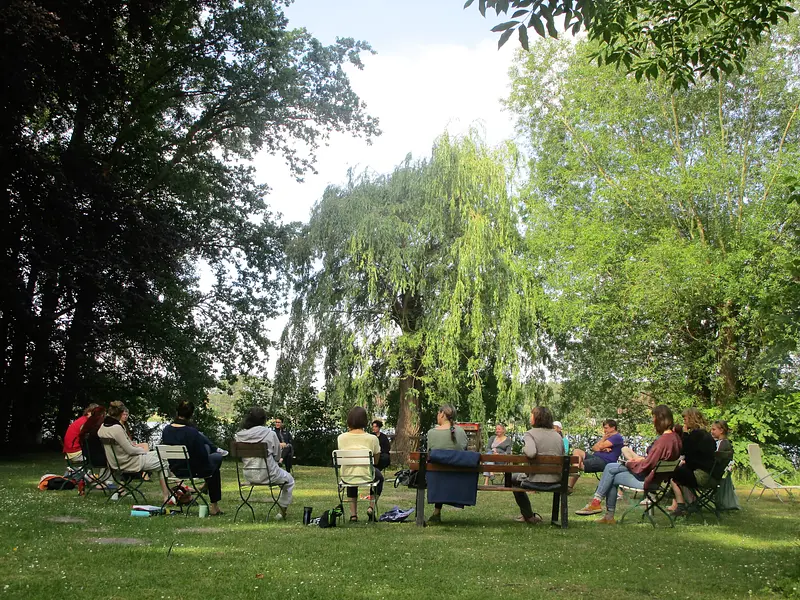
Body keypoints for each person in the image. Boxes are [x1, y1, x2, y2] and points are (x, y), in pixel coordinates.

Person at [575, 405, 682, 524]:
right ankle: (600, 507)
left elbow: (647, 466)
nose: (652, 421)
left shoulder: (663, 441)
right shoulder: (675, 438)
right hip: (657, 478)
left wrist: (630, 464)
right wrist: (639, 461)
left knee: (611, 474)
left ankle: (601, 508)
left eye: (654, 417)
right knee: (610, 468)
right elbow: (654, 461)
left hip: (647, 480)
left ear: (660, 419)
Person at [97, 401, 171, 502]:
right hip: (129, 462)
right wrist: (143, 450)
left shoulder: (102, 427)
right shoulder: (117, 428)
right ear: (120, 413)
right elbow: (130, 450)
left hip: (115, 462)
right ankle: (167, 496)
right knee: (163, 462)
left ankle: (169, 495)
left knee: (161, 455)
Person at [161, 401, 225, 516]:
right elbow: (202, 457)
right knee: (217, 459)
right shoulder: (192, 432)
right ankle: (214, 506)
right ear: (191, 415)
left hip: (176, 468)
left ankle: (206, 486)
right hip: (192, 469)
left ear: (177, 412)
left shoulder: (166, 430)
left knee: (208, 450)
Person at [234, 407, 295, 519]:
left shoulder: (239, 435)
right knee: (289, 480)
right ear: (263, 419)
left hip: (248, 474)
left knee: (285, 478)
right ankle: (282, 513)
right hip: (269, 474)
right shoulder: (269, 434)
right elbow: (277, 457)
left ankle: (281, 513)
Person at [512, 406, 564, 524]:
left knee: (513, 479)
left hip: (535, 479)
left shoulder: (530, 434)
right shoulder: (557, 436)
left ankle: (528, 515)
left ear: (536, 418)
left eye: (531, 415)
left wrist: (524, 447)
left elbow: (531, 453)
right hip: (556, 480)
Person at [336, 406, 383, 522]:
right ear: (365, 421)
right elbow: (376, 461)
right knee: (380, 478)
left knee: (351, 474)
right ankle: (371, 507)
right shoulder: (372, 439)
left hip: (347, 476)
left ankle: (353, 515)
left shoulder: (341, 438)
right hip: (367, 475)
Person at [425, 404, 468, 524]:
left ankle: (436, 512)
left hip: (436, 477)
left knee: (438, 470)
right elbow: (464, 451)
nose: (437, 416)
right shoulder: (461, 432)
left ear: (442, 414)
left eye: (438, 414)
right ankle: (436, 512)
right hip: (458, 477)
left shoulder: (432, 433)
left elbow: (429, 455)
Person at [669, 407, 716, 516]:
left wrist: (685, 434)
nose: (684, 421)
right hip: (712, 475)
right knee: (681, 472)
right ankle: (691, 502)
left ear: (691, 418)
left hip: (701, 476)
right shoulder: (706, 435)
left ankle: (681, 506)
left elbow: (683, 450)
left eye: (685, 419)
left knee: (671, 473)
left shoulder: (696, 435)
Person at [568, 419, 625, 492]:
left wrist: (602, 444)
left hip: (604, 461)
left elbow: (600, 447)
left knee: (579, 464)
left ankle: (570, 483)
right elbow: (594, 448)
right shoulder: (608, 437)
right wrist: (603, 444)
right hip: (596, 457)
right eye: (604, 428)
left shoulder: (616, 437)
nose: (604, 430)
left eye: (606, 428)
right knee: (577, 451)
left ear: (613, 428)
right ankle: (575, 472)